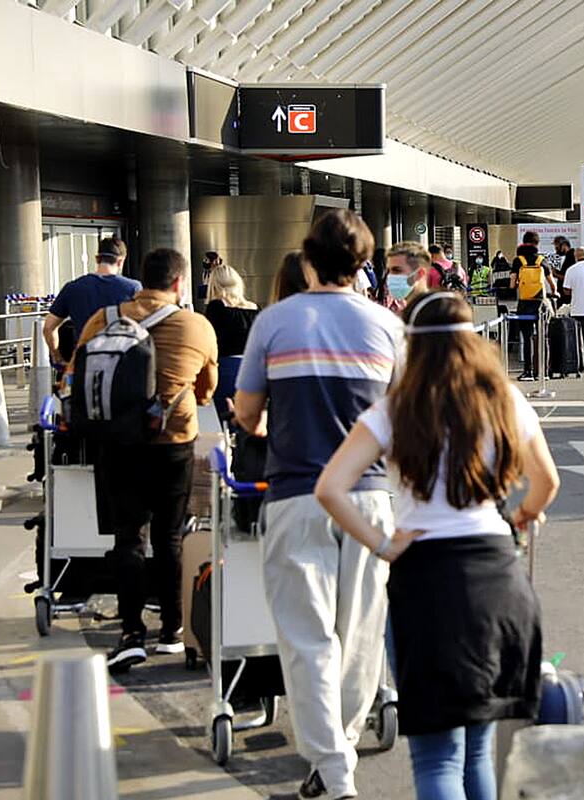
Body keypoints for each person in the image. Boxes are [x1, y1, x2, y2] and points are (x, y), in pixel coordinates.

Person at [315, 291, 560, 800]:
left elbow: (330, 488)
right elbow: (547, 482)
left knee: (437, 758)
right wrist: (521, 515)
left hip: (426, 578)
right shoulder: (505, 400)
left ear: (413, 347)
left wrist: (383, 544)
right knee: (478, 750)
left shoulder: (395, 409)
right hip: (497, 574)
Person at [234, 209, 402, 800]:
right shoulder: (387, 328)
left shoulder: (275, 323)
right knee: (359, 634)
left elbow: (247, 412)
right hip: (371, 498)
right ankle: (338, 756)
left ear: (308, 258)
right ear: (364, 262)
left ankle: (333, 770)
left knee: (307, 638)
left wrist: (264, 424)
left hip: (296, 495)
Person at [74, 249, 218, 673]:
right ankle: (172, 629)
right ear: (178, 283)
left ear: (141, 278)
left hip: (117, 443)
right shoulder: (196, 325)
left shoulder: (104, 318)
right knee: (170, 535)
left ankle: (131, 632)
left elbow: (76, 374)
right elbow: (208, 390)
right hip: (173, 440)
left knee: (127, 538)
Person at [44, 236, 140, 366]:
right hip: (121, 365)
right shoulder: (133, 288)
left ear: (97, 259)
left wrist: (57, 357)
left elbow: (49, 327)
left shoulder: (72, 288)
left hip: (85, 364)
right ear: (120, 261)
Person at [203, 264, 259, 420]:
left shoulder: (216, 307)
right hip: (253, 370)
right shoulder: (254, 308)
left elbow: (209, 341)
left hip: (226, 370)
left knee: (225, 419)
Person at [510, 231, 554, 382]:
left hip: (524, 303)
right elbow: (552, 284)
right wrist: (554, 293)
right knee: (543, 337)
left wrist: (517, 285)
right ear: (537, 243)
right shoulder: (542, 260)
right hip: (540, 304)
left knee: (527, 338)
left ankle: (528, 372)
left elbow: (512, 284)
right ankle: (544, 371)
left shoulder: (518, 260)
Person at [380, 241, 431, 316]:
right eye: (388, 271)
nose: (390, 276)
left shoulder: (438, 312)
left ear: (420, 274)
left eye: (397, 270)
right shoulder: (400, 313)